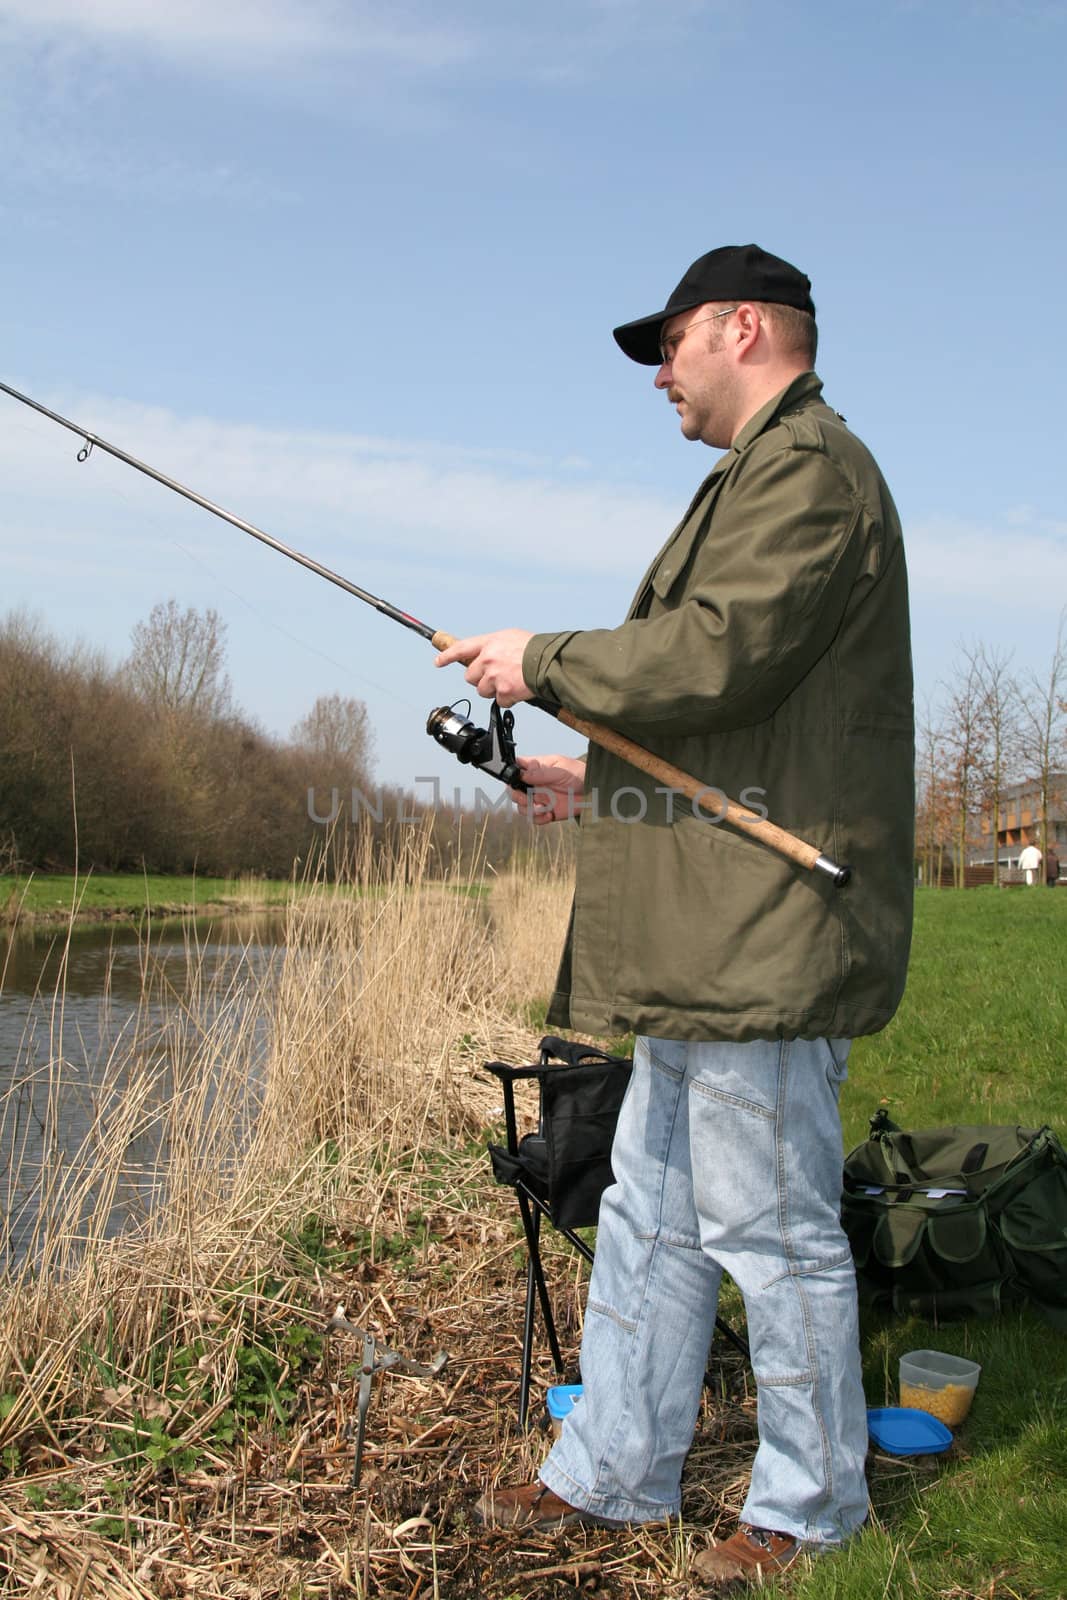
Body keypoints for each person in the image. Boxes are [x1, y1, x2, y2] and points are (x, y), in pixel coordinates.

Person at [436, 244, 914, 1587]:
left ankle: (813, 1505)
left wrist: (544, 661)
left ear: (743, 326)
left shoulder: (813, 472)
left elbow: (718, 653)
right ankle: (616, 1472)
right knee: (649, 1211)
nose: (660, 373)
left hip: (764, 934)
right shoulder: (759, 479)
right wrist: (590, 775)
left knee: (769, 1225)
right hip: (716, 934)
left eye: (672, 342)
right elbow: (755, 722)